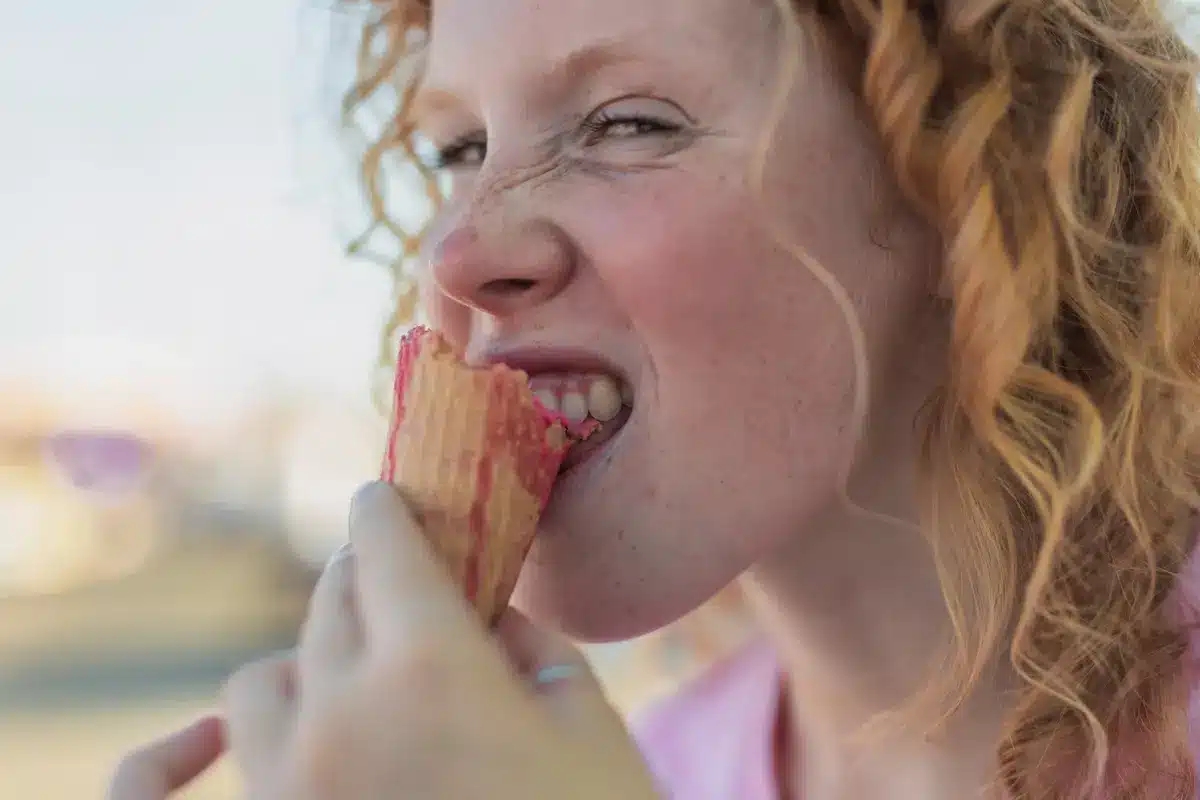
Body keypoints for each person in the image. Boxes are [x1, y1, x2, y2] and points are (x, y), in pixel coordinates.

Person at [108, 0, 1200, 797]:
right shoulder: (651, 769)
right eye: (460, 148)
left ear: (973, 186)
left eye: (627, 124)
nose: (456, 253)